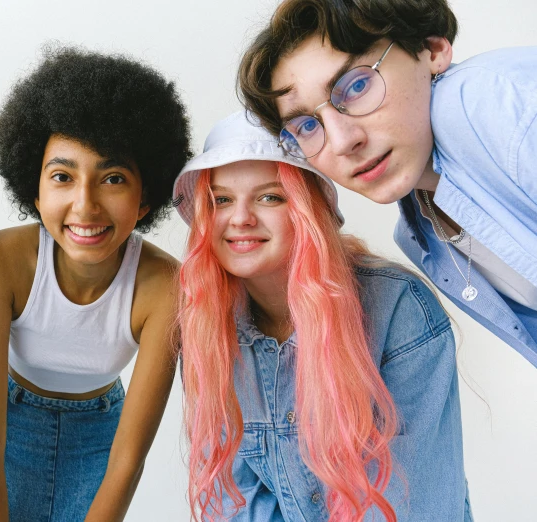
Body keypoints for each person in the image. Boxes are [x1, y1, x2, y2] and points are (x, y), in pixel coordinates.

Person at [172, 111, 470, 521]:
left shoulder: (398, 308)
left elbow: (412, 502)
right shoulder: (207, 326)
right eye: (221, 200)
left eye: (269, 197)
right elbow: (236, 504)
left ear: (308, 212)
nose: (240, 218)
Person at [0, 47, 192, 522]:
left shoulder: (165, 284)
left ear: (145, 199)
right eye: (62, 176)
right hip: (8, 430)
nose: (85, 205)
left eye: (114, 178)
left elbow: (128, 459)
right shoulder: (0, 258)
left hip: (100, 439)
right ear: (35, 192)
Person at [237, 0, 537, 367]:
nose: (343, 142)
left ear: (432, 48)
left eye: (357, 85)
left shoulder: (484, 102)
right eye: (307, 126)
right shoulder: (420, 235)